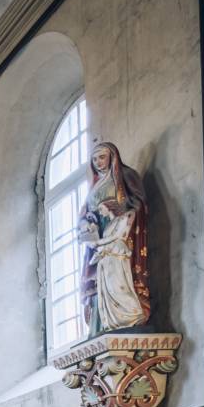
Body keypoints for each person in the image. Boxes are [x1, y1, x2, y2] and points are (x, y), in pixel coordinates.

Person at [77, 142, 151, 336]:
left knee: (116, 275)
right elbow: (86, 213)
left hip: (120, 232)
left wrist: (116, 209)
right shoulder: (94, 187)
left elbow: (137, 203)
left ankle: (125, 317)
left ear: (112, 157)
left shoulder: (126, 176)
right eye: (94, 159)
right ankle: (103, 323)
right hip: (100, 236)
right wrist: (87, 224)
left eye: (102, 157)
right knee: (102, 277)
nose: (98, 162)